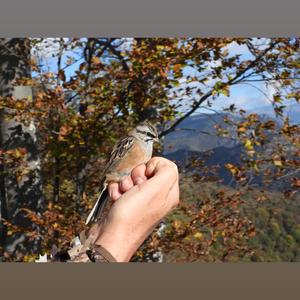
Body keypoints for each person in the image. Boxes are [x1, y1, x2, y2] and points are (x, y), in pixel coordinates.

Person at [84, 157, 180, 262]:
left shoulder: (73, 252)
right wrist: (122, 234)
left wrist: (94, 234)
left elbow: (69, 258)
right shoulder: (133, 142)